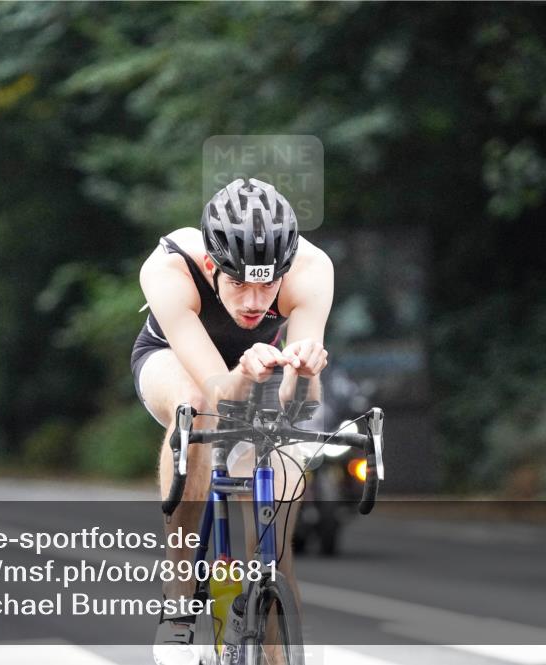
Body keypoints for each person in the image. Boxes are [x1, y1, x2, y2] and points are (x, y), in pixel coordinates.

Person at [133, 178, 333, 665]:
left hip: (261, 363)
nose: (253, 300)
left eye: (267, 283)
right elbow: (218, 392)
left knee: (278, 524)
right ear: (210, 265)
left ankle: (273, 630)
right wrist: (242, 373)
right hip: (177, 362)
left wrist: (304, 373)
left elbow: (299, 406)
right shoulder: (169, 269)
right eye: (239, 281)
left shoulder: (311, 270)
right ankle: (179, 594)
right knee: (196, 406)